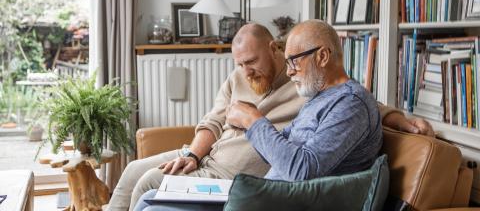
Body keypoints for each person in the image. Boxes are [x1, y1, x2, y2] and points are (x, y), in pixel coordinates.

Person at [106, 23, 433, 211]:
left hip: (246, 186)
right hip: (228, 170)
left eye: (294, 61)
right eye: (239, 64)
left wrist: (398, 118)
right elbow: (216, 122)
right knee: (142, 181)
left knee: (150, 188)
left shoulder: (320, 93)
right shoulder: (314, 93)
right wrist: (194, 153)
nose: (245, 71)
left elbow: (359, 106)